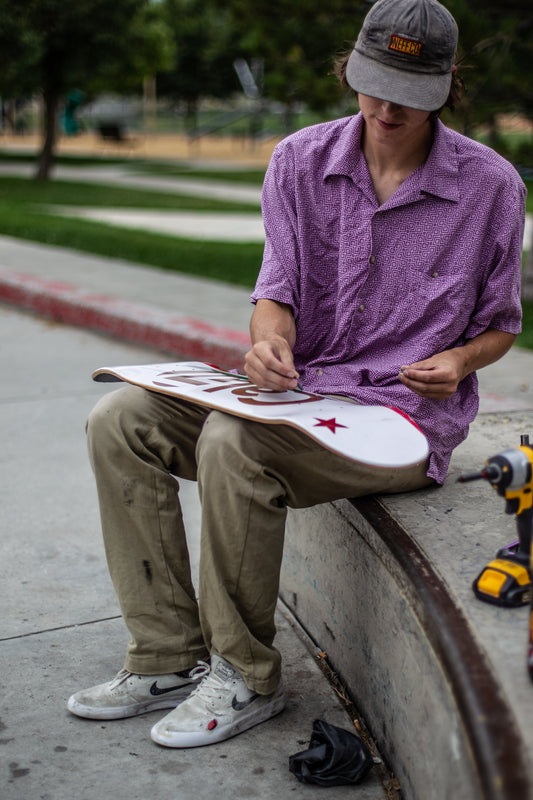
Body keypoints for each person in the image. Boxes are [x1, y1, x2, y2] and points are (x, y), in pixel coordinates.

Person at [67, 0, 525, 749]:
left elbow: (500, 323)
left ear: (446, 84)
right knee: (120, 420)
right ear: (350, 67)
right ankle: (164, 656)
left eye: (410, 91)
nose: (386, 106)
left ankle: (245, 675)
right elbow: (273, 293)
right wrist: (268, 344)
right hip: (300, 394)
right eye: (374, 82)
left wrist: (460, 360)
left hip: (402, 420)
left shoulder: (491, 187)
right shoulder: (298, 161)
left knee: (232, 444)